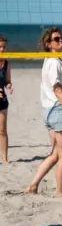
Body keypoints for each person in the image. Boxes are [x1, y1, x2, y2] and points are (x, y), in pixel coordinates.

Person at [26, 28, 62, 196]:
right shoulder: (53, 62)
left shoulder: (51, 60)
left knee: (56, 154)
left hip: (50, 110)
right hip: (59, 111)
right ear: (48, 43)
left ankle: (33, 185)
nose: (61, 41)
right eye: (57, 39)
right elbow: (58, 90)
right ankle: (60, 193)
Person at [0, 34, 11, 165]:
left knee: (2, 130)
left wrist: (9, 86)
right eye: (0, 47)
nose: (2, 50)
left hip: (2, 101)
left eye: (3, 47)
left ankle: (4, 158)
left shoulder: (6, 62)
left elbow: (7, 81)